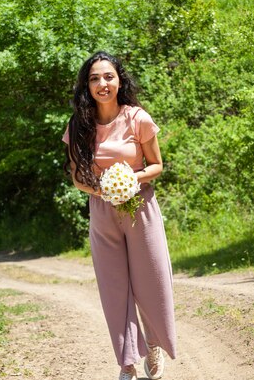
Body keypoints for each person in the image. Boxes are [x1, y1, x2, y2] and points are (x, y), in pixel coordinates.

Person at [62, 51, 177, 380]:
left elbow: (156, 166)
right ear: (87, 85)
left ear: (119, 81)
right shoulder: (78, 125)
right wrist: (102, 191)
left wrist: (129, 179)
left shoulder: (137, 117)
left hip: (140, 207)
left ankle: (154, 344)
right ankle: (127, 362)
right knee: (114, 289)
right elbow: (77, 176)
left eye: (108, 76)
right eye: (95, 78)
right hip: (102, 212)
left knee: (151, 280)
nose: (102, 83)